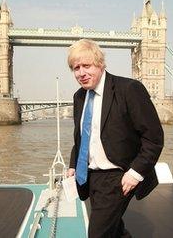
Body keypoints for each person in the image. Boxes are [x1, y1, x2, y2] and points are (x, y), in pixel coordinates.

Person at [66, 39, 164, 238]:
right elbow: (82, 136)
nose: (81, 73)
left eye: (87, 65)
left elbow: (153, 137)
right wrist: (74, 164)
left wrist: (135, 173)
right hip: (90, 176)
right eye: (76, 68)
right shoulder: (79, 96)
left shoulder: (129, 89)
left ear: (100, 64)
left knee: (97, 233)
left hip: (118, 175)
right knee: (114, 229)